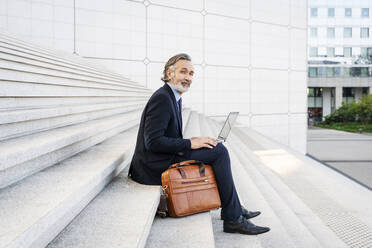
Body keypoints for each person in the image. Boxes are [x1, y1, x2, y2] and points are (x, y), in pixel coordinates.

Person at [128, 53, 270, 235]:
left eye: (191, 73)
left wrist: (196, 142)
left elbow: (165, 136)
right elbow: (153, 142)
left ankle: (233, 209)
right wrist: (190, 143)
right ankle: (233, 218)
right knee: (219, 152)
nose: (188, 77)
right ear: (169, 74)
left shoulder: (173, 96)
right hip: (152, 166)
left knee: (215, 149)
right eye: (183, 72)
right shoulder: (162, 98)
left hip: (163, 156)